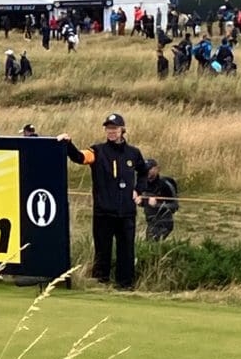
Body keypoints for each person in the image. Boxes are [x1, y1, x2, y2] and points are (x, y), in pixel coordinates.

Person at [58, 113, 147, 290]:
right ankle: (100, 283)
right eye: (108, 128)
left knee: (126, 251)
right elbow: (80, 157)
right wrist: (68, 144)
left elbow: (143, 171)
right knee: (102, 250)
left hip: (126, 212)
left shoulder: (133, 153)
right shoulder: (97, 151)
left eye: (114, 128)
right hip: (104, 211)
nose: (111, 132)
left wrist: (138, 190)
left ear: (122, 130)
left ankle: (125, 285)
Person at [140, 158, 179, 240]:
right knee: (149, 247)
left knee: (152, 243)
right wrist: (140, 202)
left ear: (156, 169)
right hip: (151, 222)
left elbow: (175, 206)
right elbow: (144, 204)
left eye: (150, 169)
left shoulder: (165, 185)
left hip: (164, 222)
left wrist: (157, 205)